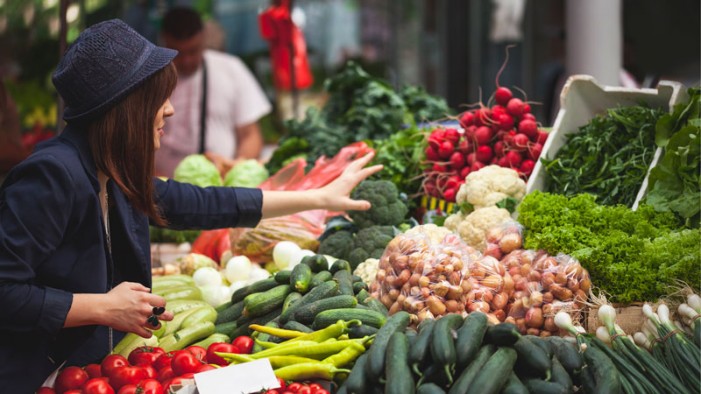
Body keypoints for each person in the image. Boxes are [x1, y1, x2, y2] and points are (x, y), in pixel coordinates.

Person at [0, 19, 381, 393]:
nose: (169, 110)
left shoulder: (111, 171)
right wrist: (102, 307)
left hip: (85, 373)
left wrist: (319, 197)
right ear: (126, 108)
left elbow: (206, 202)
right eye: (158, 97)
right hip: (35, 376)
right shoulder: (51, 176)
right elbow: (6, 290)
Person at [155, 6, 271, 178]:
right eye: (178, 53)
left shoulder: (231, 69)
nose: (186, 61)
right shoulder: (152, 77)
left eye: (193, 51)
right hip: (162, 187)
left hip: (220, 186)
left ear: (203, 38)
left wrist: (235, 171)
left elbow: (250, 135)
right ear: (164, 41)